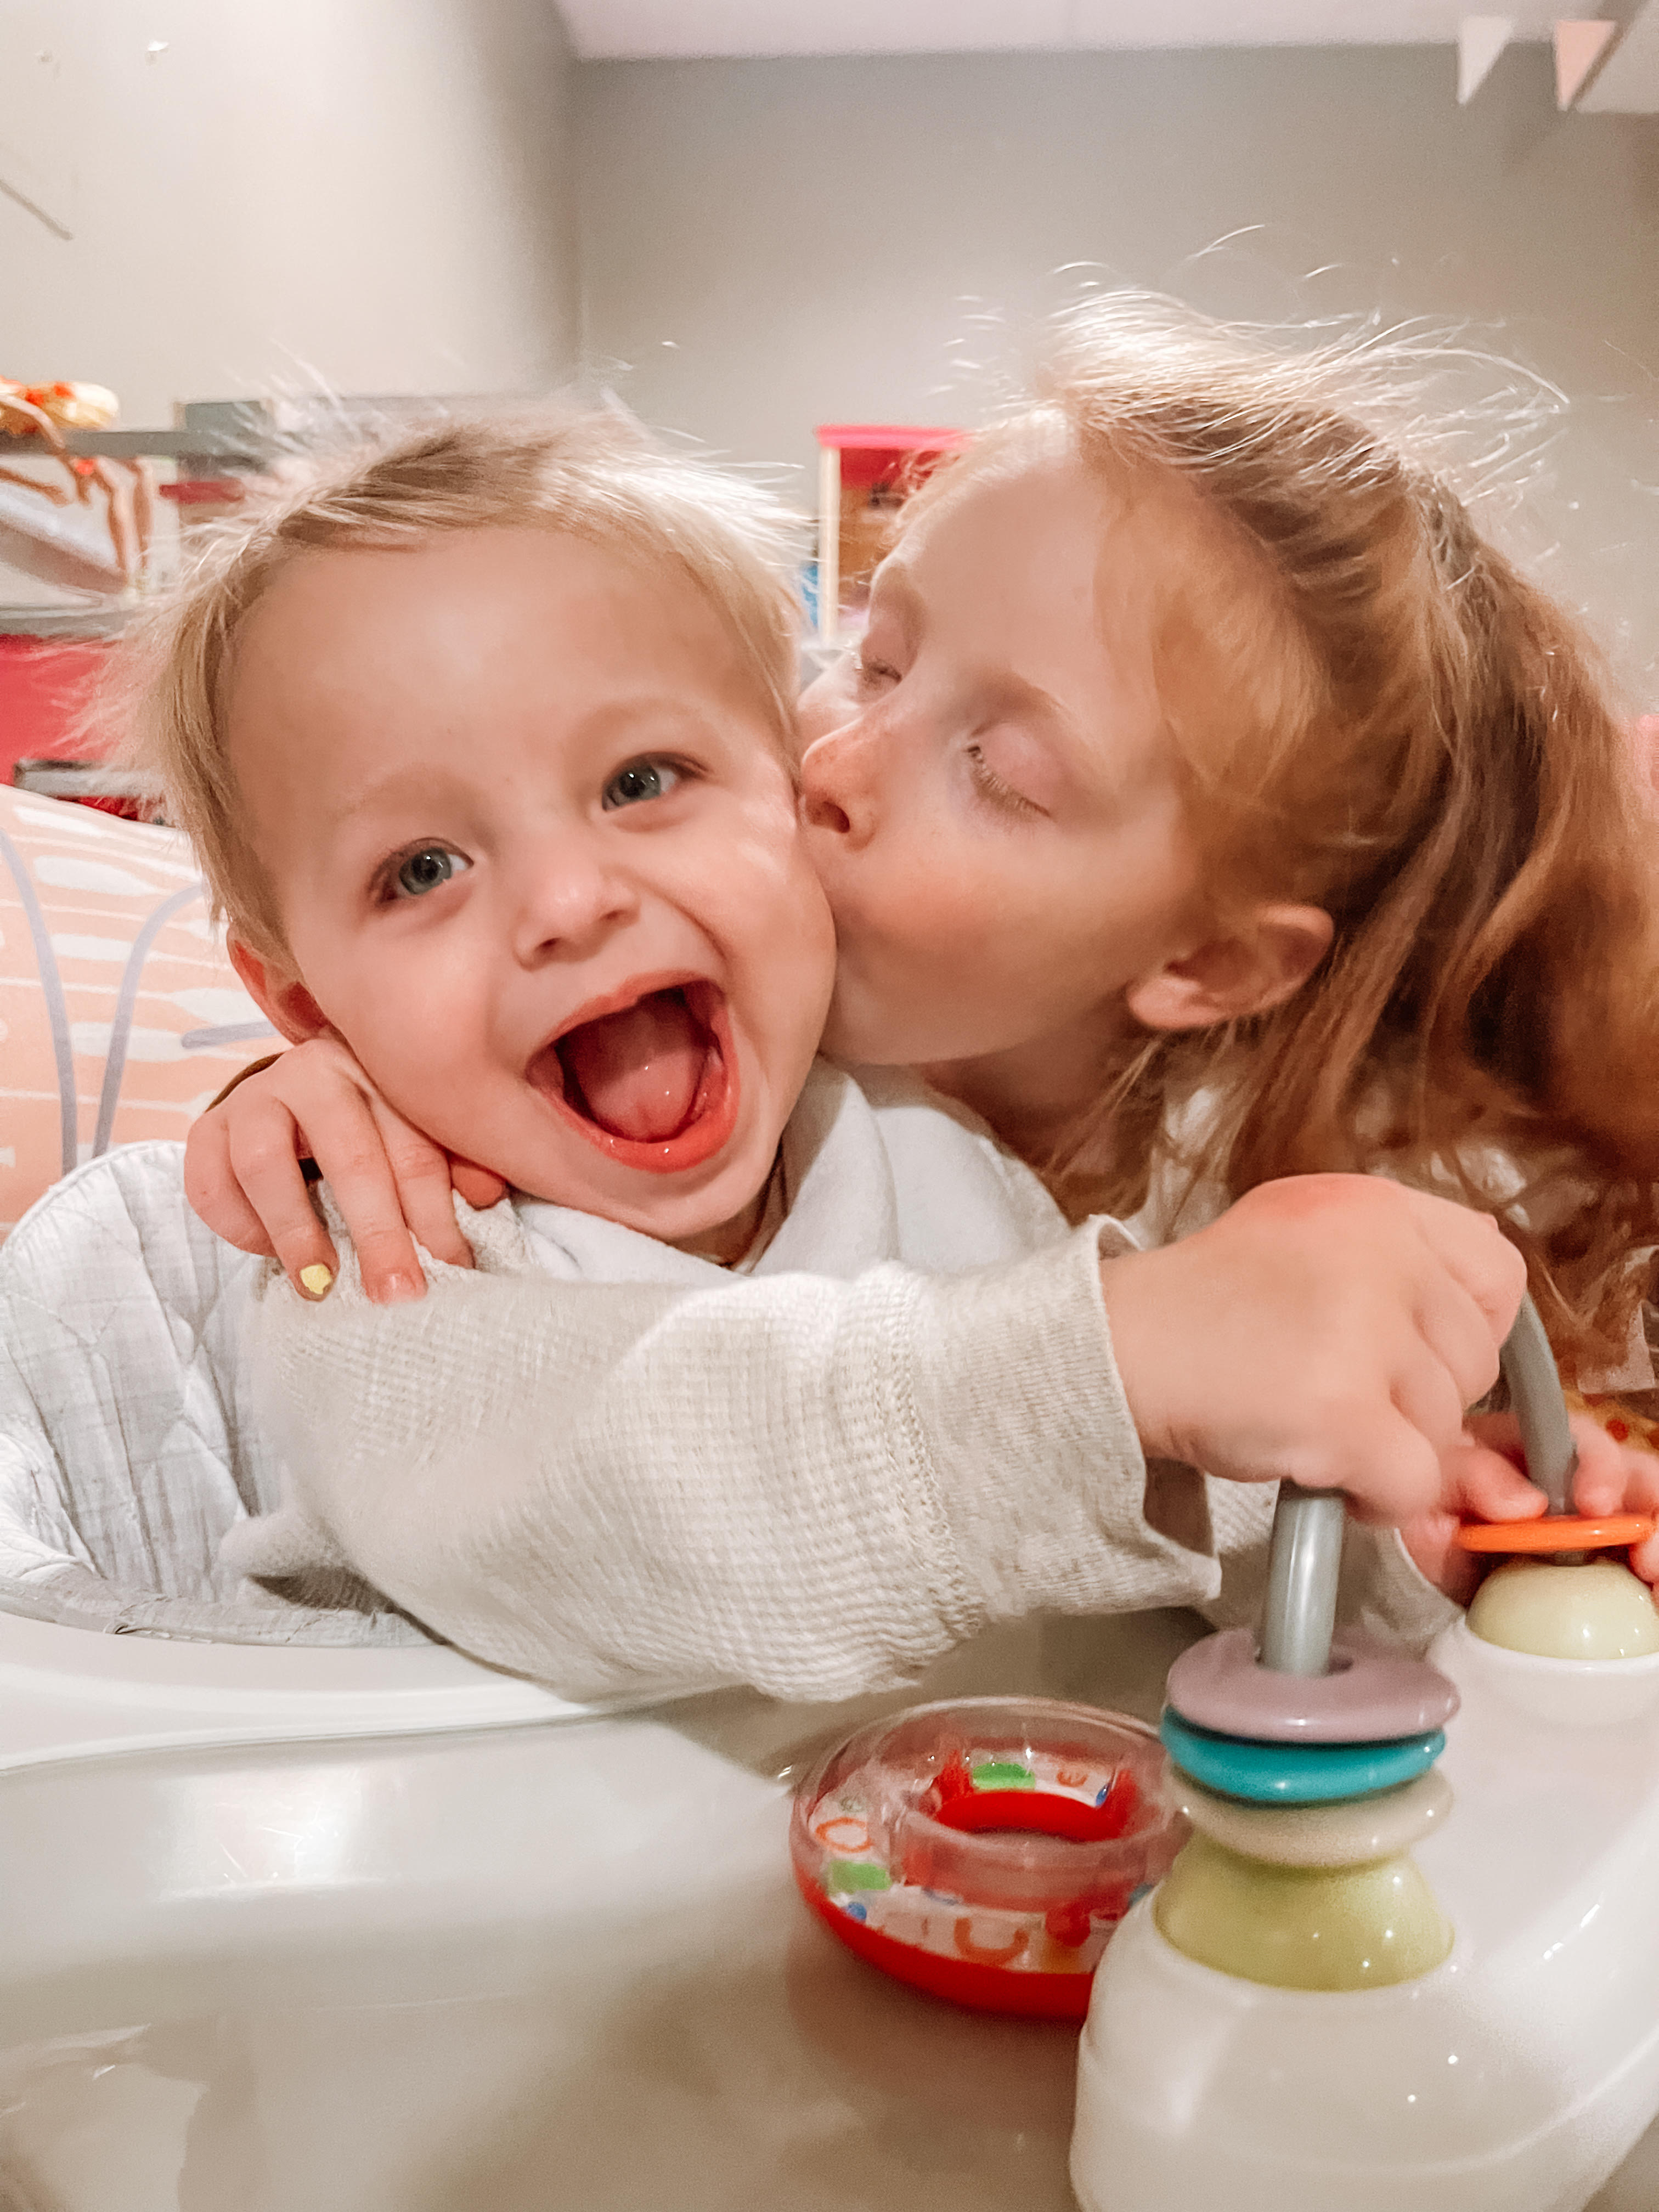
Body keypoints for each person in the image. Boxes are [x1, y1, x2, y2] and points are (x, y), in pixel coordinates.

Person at [168, 316, 1659, 1688]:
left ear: (1205, 965)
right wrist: (1112, 1361)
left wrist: (1409, 1532)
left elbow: (1163, 1506)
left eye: (642, 780)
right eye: (871, 664)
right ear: (303, 1000)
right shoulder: (377, 1252)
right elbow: (617, 1480)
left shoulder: (931, 1157)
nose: (830, 765)